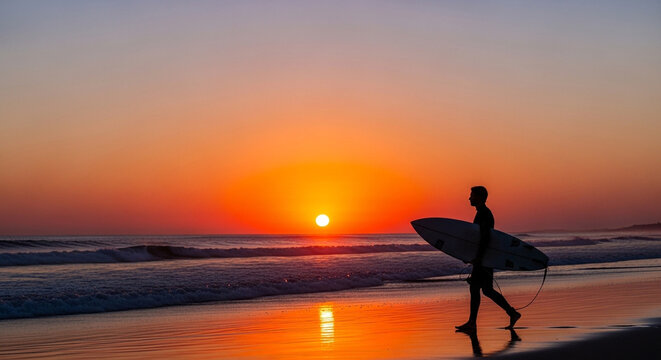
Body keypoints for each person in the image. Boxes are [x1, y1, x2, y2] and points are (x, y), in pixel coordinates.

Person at [456, 186, 521, 332]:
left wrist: (478, 258)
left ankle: (472, 323)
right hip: (484, 257)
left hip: (484, 258)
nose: (469, 198)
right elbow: (478, 238)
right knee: (486, 290)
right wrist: (471, 256)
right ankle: (512, 313)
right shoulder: (481, 213)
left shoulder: (484, 214)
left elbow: (485, 238)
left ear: (479, 197)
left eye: (471, 195)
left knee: (476, 288)